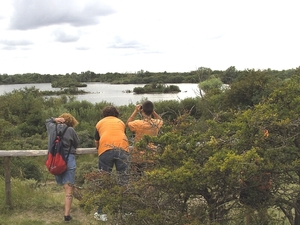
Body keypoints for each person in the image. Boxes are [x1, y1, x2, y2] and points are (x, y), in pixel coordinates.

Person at [94, 105, 130, 221]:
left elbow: (96, 141)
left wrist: (98, 150)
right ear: (116, 113)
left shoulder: (99, 123)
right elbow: (123, 135)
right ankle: (126, 212)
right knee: (124, 181)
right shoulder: (121, 122)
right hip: (122, 149)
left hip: (106, 150)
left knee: (104, 181)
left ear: (104, 114)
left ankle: (101, 213)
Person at [45, 113, 79, 222]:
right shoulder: (71, 130)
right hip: (68, 159)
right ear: (71, 122)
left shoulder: (51, 127)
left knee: (61, 184)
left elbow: (47, 121)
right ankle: (67, 215)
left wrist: (54, 119)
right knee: (68, 188)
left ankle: (66, 213)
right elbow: (77, 143)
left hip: (54, 160)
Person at [126, 100, 163, 176]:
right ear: (152, 110)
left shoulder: (137, 123)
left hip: (138, 156)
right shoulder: (156, 123)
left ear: (142, 110)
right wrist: (153, 112)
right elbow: (161, 120)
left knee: (137, 178)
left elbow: (128, 123)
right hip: (152, 154)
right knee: (151, 178)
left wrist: (135, 111)